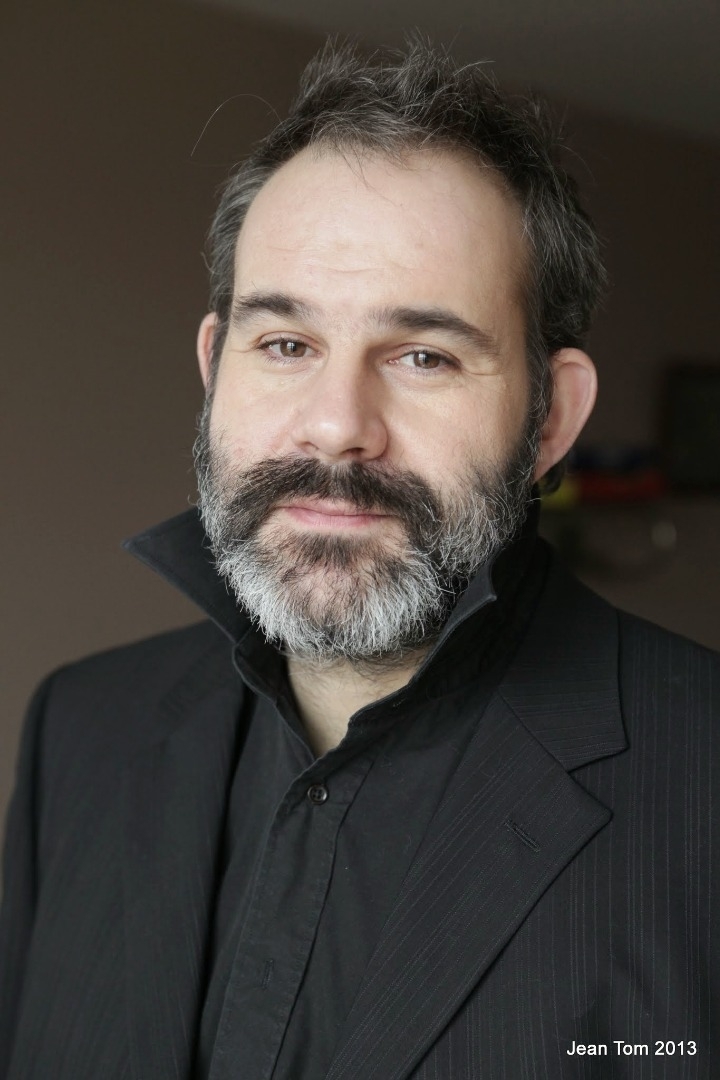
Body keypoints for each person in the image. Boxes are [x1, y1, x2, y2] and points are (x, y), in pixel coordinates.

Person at [0, 38, 716, 1080]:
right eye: (286, 344)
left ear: (552, 417)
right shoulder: (82, 729)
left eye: (424, 356)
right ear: (215, 367)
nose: (337, 426)